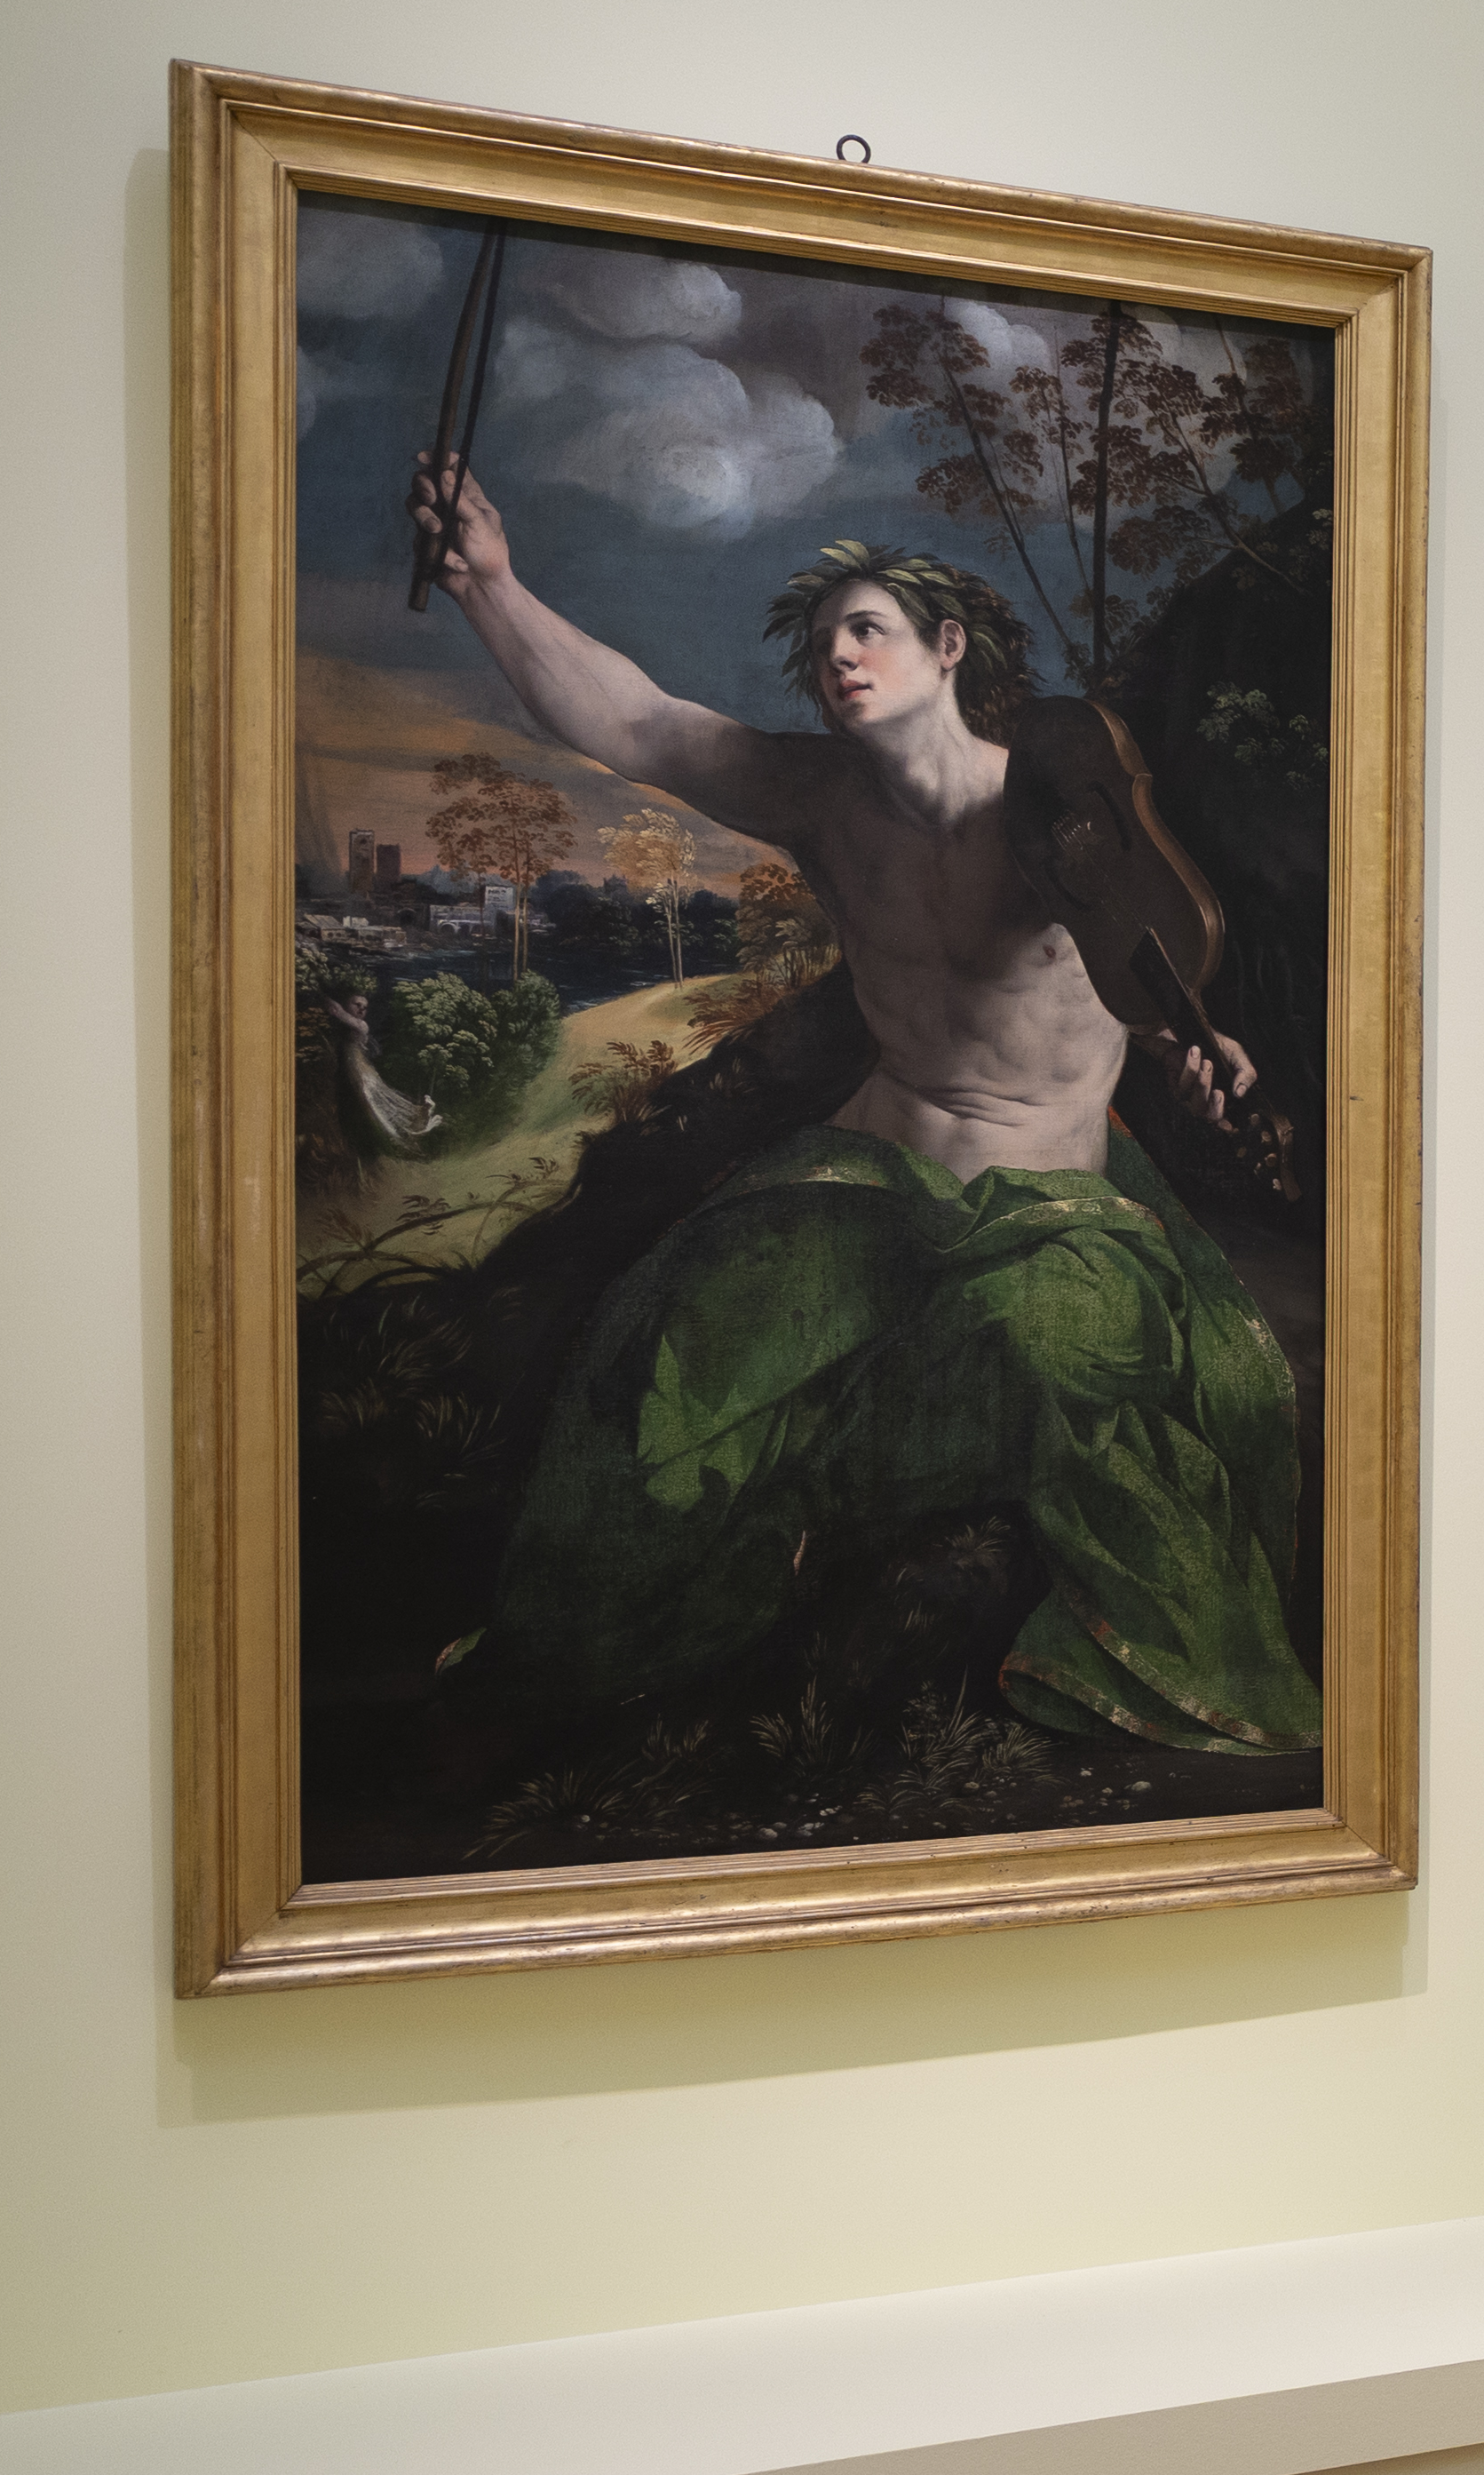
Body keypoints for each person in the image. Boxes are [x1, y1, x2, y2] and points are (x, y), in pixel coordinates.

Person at [405, 459, 1316, 1757]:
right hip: (865, 1182)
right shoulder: (824, 801)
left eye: (869, 630)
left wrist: (1199, 1057)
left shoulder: (1065, 813)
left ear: (946, 650)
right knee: (671, 1341)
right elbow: (640, 723)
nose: (840, 657)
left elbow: (1158, 981)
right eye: (826, 644)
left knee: (1056, 1359)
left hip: (1051, 1202)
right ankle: (595, 1661)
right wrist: (489, 584)